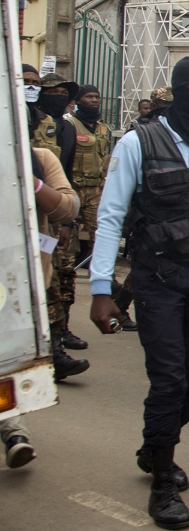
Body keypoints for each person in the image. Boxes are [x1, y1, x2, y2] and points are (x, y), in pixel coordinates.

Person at [89, 57, 189, 529]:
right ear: (178, 89)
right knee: (169, 379)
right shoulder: (139, 142)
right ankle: (162, 483)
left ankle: (156, 448)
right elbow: (111, 216)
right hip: (160, 279)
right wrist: (100, 288)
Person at [6, 145, 81, 465]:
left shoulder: (39, 157)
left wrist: (31, 181)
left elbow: (67, 207)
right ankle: (14, 432)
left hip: (17, 283)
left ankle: (13, 431)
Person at [38, 74, 86, 352]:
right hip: (33, 217)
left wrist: (69, 219)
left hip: (60, 209)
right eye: (50, 91)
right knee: (44, 277)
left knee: (64, 272)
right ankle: (50, 345)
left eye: (61, 92)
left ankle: (61, 331)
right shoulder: (26, 123)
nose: (57, 96)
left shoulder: (66, 129)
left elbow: (65, 175)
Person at [64, 85, 111, 258]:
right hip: (73, 187)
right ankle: (65, 278)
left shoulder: (102, 127)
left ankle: (103, 274)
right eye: (89, 96)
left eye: (97, 97)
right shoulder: (69, 125)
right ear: (77, 101)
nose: (94, 100)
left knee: (101, 234)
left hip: (95, 190)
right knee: (66, 237)